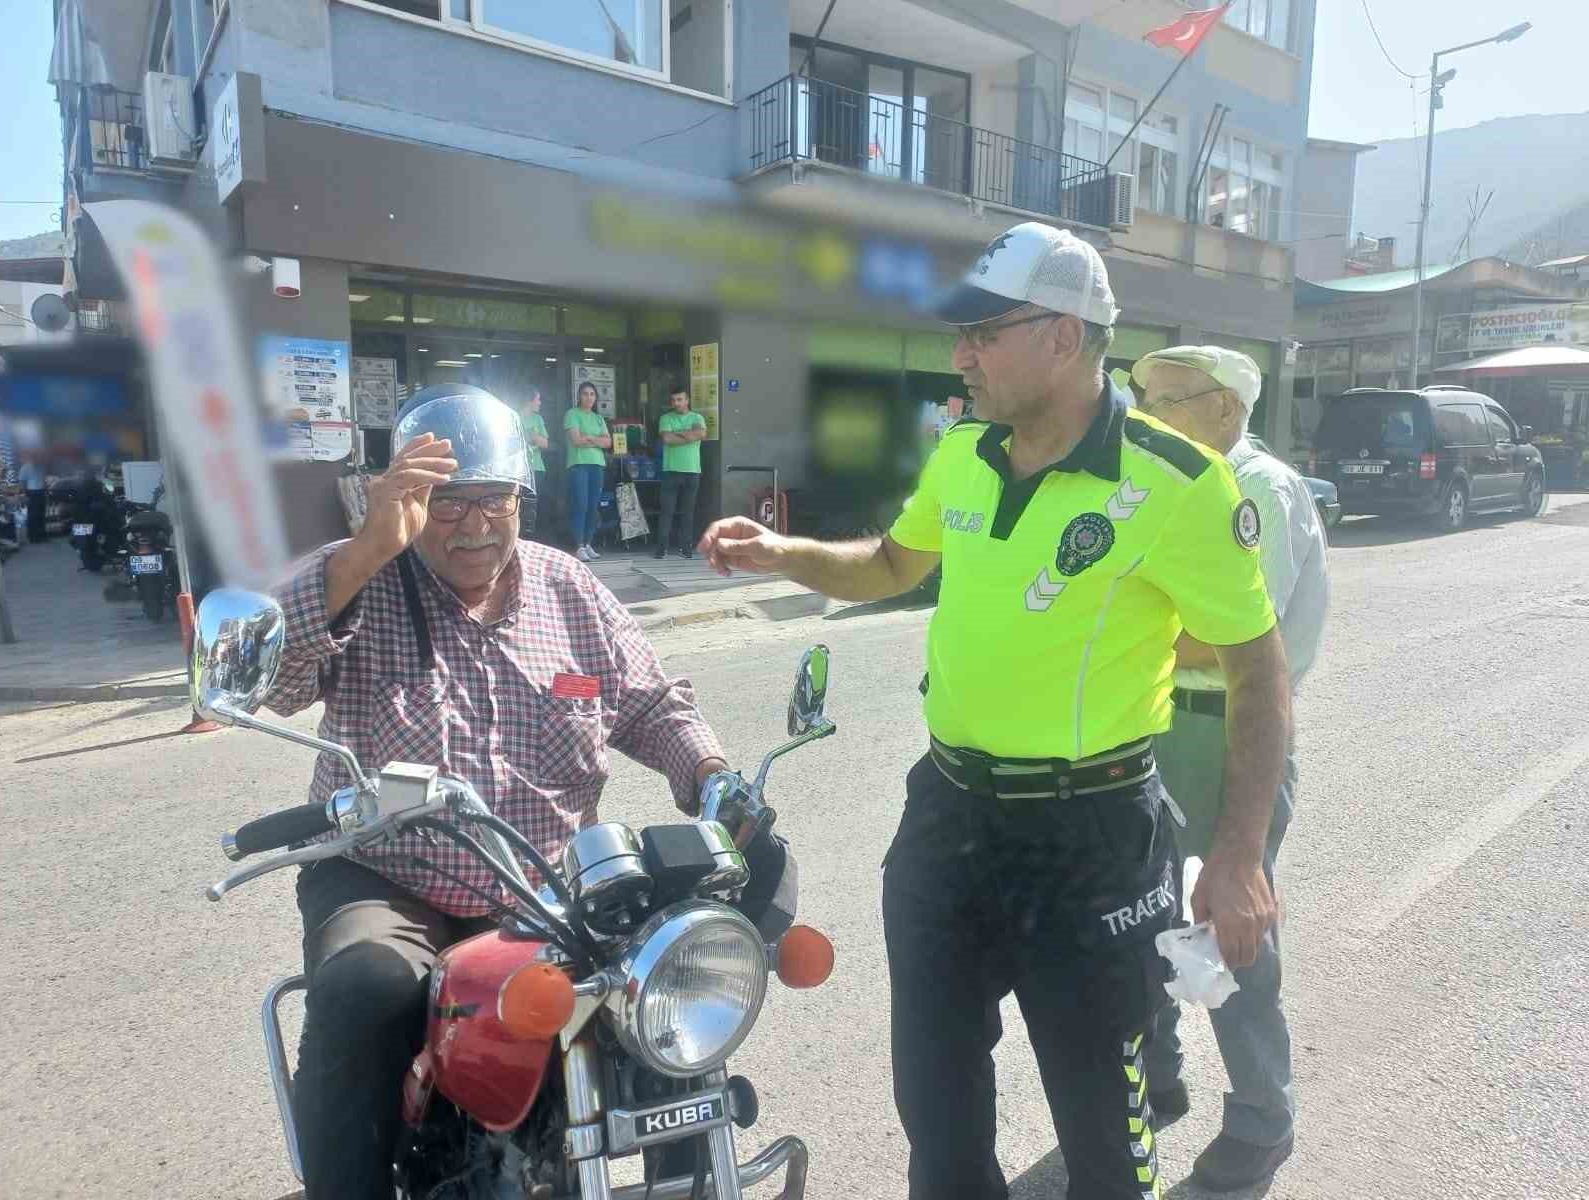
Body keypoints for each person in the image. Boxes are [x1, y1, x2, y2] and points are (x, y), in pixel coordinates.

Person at [697, 221, 1291, 1200]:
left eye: (981, 333)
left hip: (1092, 842)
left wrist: (1237, 851)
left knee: (1108, 1143)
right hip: (947, 822)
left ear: (1062, 335)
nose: (958, 356)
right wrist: (782, 555)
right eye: (958, 335)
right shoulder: (966, 454)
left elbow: (1257, 671)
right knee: (940, 1131)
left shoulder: (1179, 483)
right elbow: (893, 563)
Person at [261, 383, 729, 1199]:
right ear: (407, 499)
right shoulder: (364, 579)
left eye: (496, 499)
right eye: (448, 503)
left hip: (542, 884)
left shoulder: (568, 589)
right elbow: (276, 679)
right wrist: (365, 548)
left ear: (525, 498)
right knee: (367, 985)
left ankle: (686, 1179)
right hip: (390, 874)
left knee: (669, 985)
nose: (476, 524)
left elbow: (649, 702)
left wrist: (712, 777)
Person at [1131, 346, 1330, 1192]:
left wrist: (1127, 637)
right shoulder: (1175, 482)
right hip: (1156, 721)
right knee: (1129, 906)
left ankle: (1262, 1118)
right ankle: (1160, 1077)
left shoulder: (1258, 490)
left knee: (1233, 922)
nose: (1147, 415)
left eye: (1168, 400)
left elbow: (1241, 641)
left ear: (1224, 410)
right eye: (1142, 398)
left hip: (1231, 729)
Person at [654, 387, 706, 559]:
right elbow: (667, 439)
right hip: (671, 470)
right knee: (667, 511)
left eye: (680, 399)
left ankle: (686, 547)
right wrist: (688, 435)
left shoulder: (697, 417)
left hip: (692, 471)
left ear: (687, 400)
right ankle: (662, 547)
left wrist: (678, 434)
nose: (676, 403)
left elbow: (700, 434)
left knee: (688, 512)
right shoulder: (665, 418)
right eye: (674, 400)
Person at [564, 380, 611, 561]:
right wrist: (597, 439)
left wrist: (589, 438)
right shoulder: (572, 414)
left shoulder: (598, 418)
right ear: (579, 396)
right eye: (585, 394)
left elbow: (608, 442)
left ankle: (588, 543)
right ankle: (578, 545)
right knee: (581, 504)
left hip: (597, 465)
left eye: (592, 394)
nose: (589, 397)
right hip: (579, 464)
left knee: (593, 506)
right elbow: (576, 440)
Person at [520, 386, 551, 541]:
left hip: (538, 467)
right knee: (522, 504)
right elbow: (518, 440)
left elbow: (545, 443)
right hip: (521, 468)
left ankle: (533, 538)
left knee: (536, 505)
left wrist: (531, 436)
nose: (540, 403)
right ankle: (522, 537)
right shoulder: (517, 417)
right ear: (529, 401)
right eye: (538, 399)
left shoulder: (538, 419)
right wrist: (533, 437)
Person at [17, 455, 46, 542]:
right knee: (32, 515)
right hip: (31, 492)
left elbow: (43, 479)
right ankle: (33, 537)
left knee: (41, 514)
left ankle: (41, 535)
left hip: (41, 492)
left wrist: (45, 489)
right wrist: (24, 494)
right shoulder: (25, 467)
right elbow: (22, 482)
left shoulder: (41, 466)